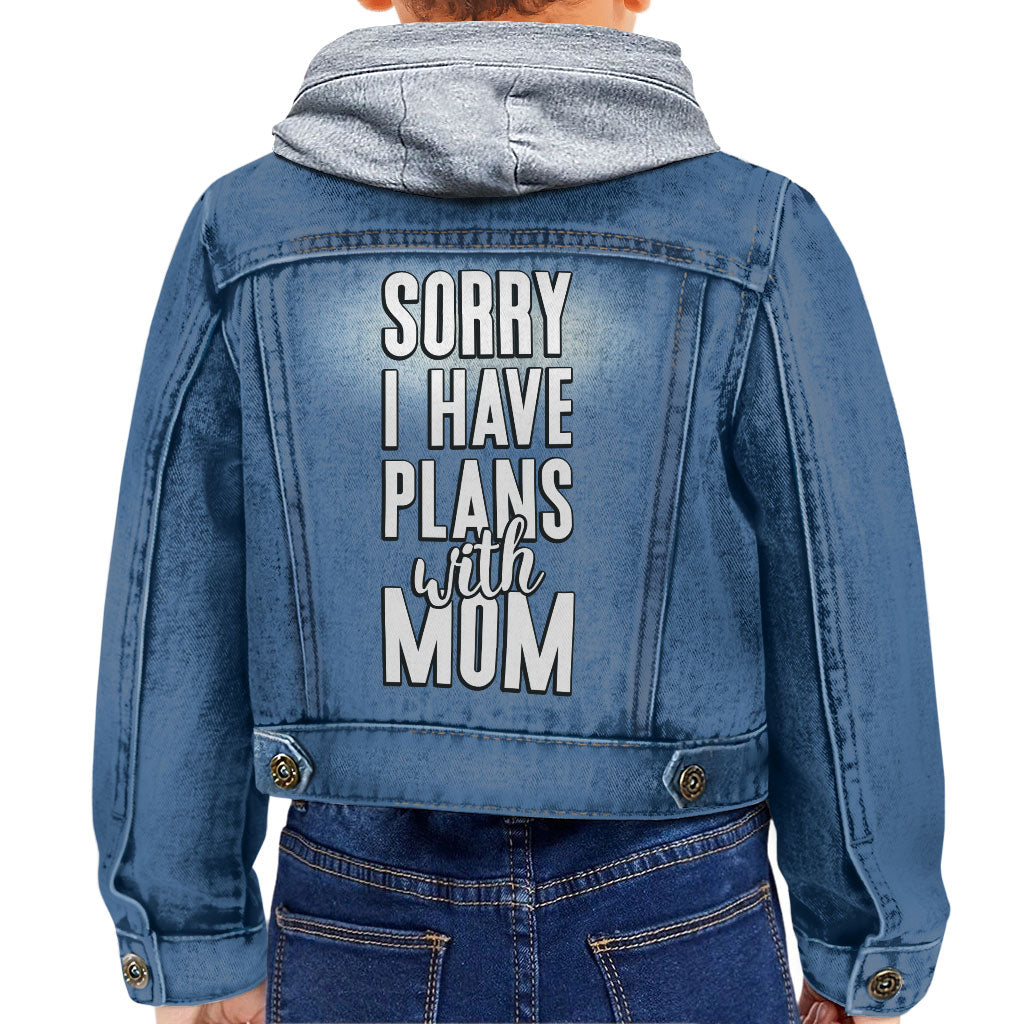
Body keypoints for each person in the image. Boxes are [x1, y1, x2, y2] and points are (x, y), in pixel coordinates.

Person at [91, 1, 949, 1022]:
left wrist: (192, 936)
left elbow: (178, 595)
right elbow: (844, 604)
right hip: (677, 900)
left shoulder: (247, 234)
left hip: (357, 906)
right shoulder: (754, 236)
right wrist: (868, 943)